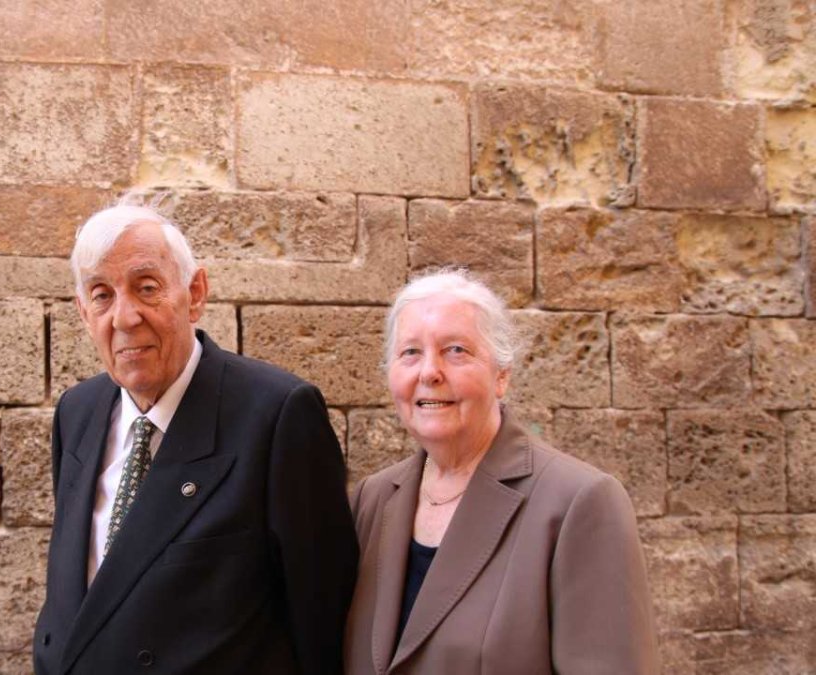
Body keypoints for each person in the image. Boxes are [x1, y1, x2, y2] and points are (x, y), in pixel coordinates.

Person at [33, 197, 358, 675]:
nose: (124, 317)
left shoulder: (276, 416)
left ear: (196, 293)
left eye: (146, 288)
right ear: (84, 312)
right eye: (102, 295)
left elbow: (321, 619)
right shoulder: (76, 413)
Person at [343, 269, 659, 674]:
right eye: (410, 353)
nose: (429, 372)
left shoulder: (578, 503)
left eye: (455, 350)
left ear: (502, 375)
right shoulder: (373, 500)